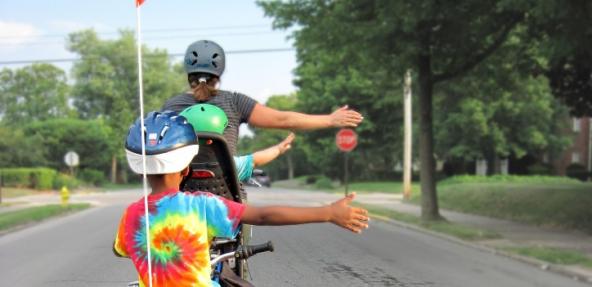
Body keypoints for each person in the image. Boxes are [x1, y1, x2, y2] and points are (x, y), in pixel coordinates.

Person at [114, 111, 369, 287]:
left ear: (141, 170)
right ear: (186, 169)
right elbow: (263, 215)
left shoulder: (131, 215)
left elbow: (121, 250)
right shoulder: (200, 205)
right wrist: (327, 213)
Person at [161, 39, 364, 155]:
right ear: (219, 72)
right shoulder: (234, 102)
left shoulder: (170, 107)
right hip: (226, 201)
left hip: (180, 199)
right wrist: (330, 120)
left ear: (188, 71)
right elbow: (284, 120)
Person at [180, 103, 295, 182]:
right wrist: (279, 149)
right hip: (224, 216)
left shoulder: (175, 165)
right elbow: (256, 159)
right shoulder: (230, 165)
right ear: (213, 139)